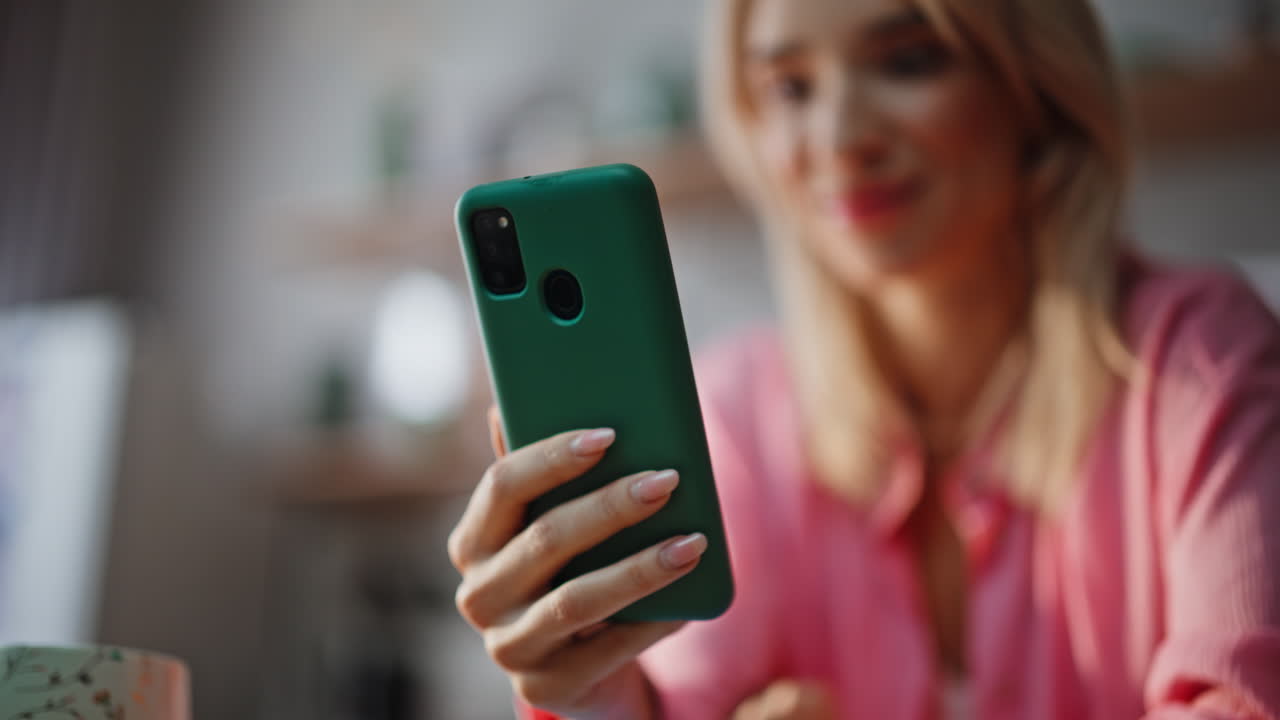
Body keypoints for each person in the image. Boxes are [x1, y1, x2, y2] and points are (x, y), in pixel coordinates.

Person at [446, 0, 1280, 717]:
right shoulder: (739, 414)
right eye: (789, 87)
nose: (840, 137)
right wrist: (597, 693)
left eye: (909, 60)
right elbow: (686, 696)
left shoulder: (1200, 359)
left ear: (1034, 84)